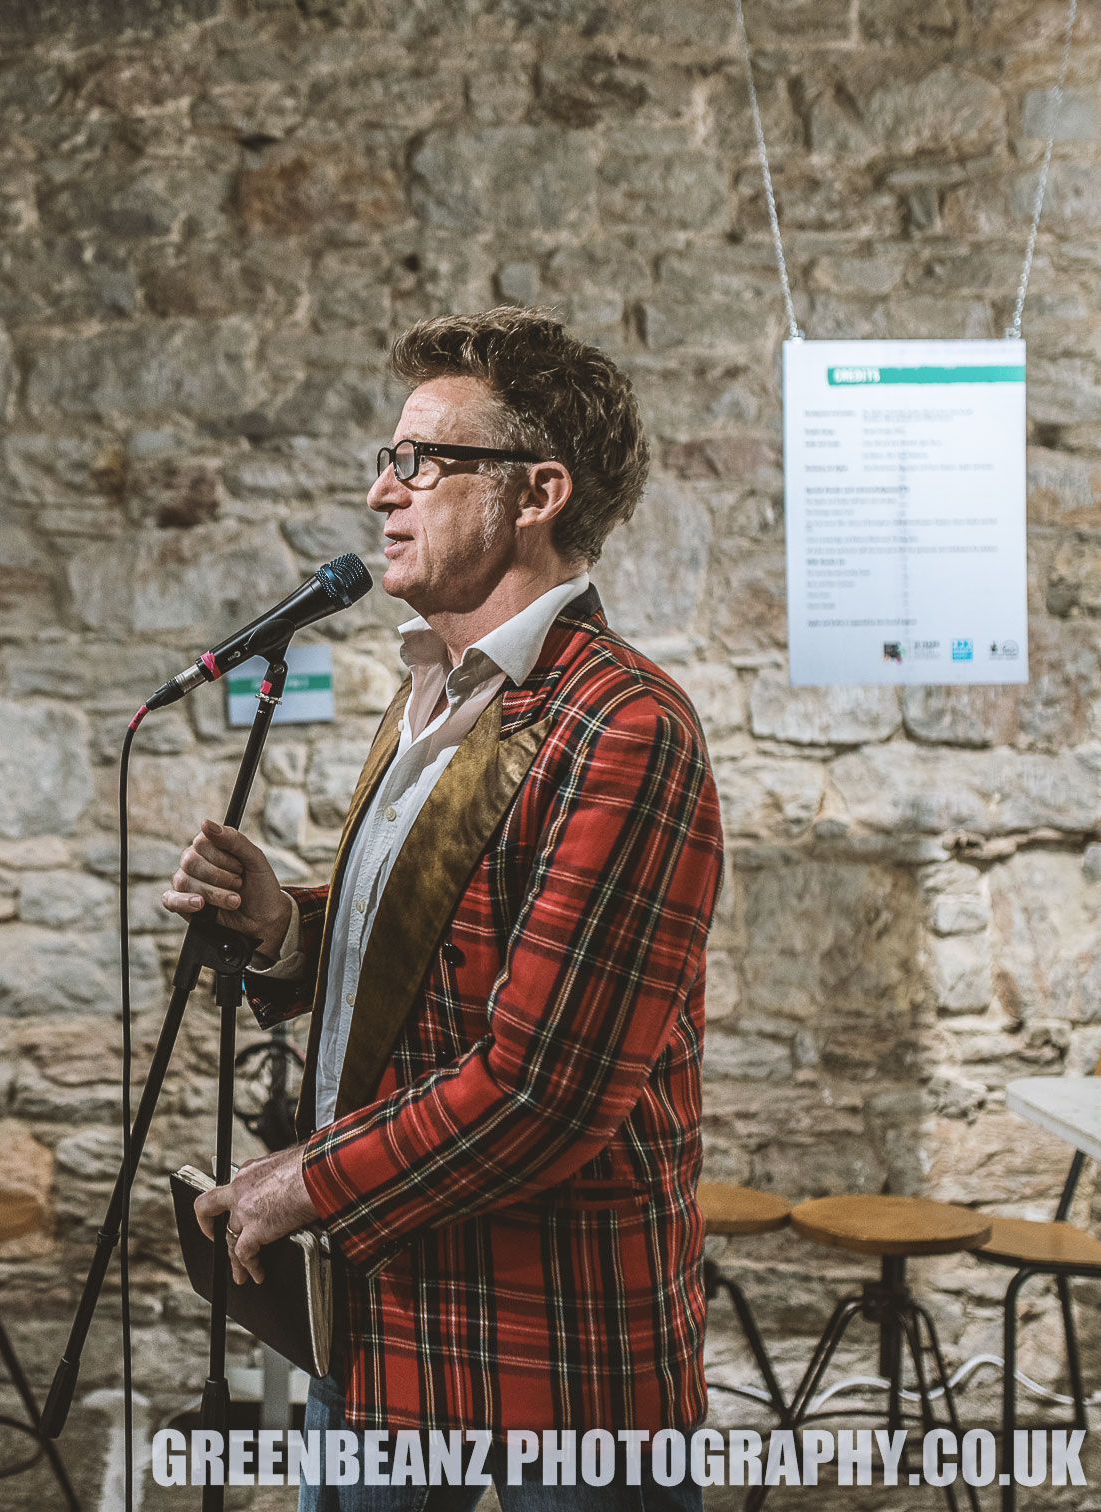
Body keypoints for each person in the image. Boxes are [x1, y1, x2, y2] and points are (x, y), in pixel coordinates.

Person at [167, 308, 724, 1512]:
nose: (382, 492)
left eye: (423, 460)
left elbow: (544, 1085)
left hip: (552, 1359)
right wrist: (287, 928)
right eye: (386, 456)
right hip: (384, 1321)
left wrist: (300, 1181)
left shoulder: (624, 727)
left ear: (536, 491)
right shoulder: (433, 691)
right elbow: (437, 950)